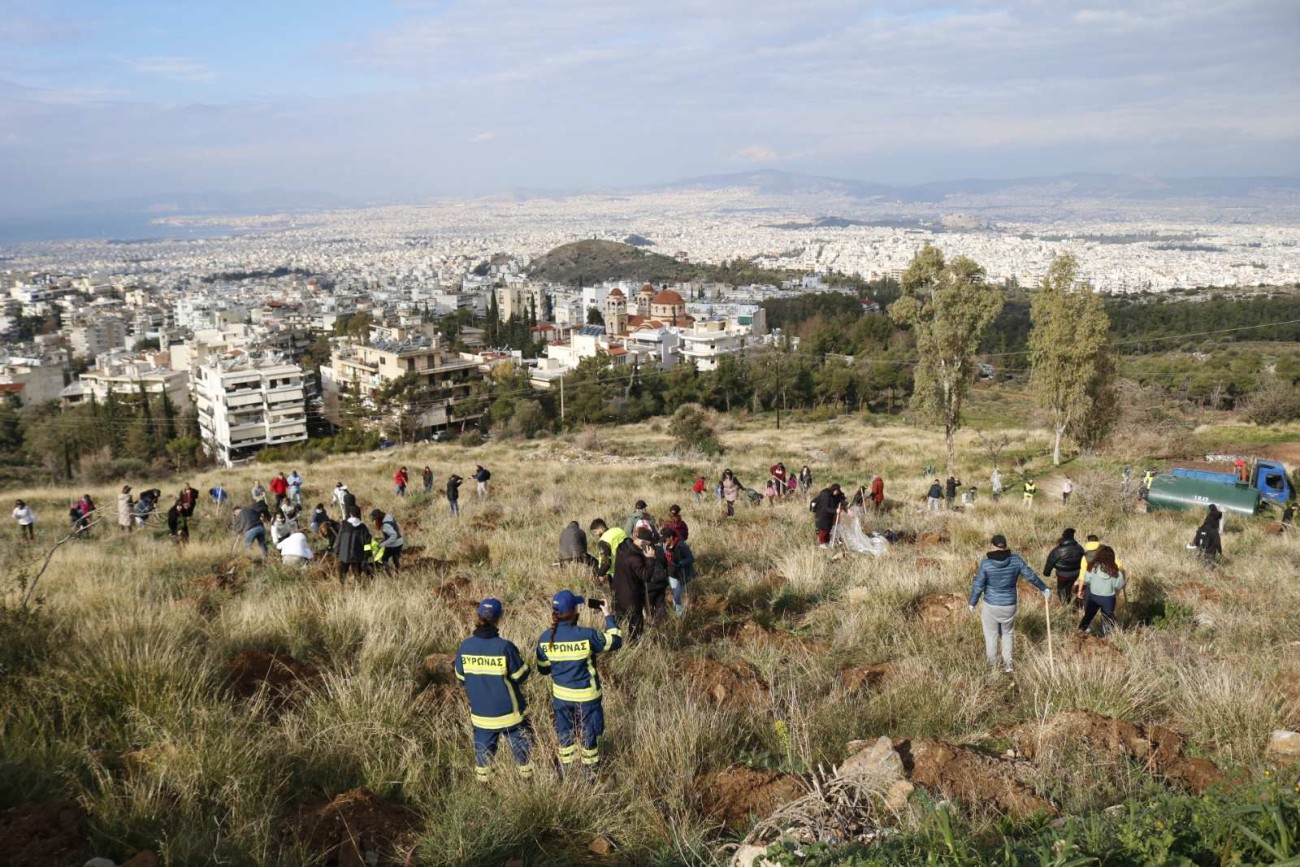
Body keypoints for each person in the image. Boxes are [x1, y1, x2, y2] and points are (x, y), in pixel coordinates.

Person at [535, 590, 622, 774]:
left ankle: (566, 771)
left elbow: (543, 669)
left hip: (561, 698)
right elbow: (615, 640)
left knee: (565, 735)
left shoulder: (544, 639)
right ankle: (589, 774)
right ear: (575, 611)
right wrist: (608, 616)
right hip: (587, 698)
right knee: (588, 737)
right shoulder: (587, 635)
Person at [456, 598, 534, 782]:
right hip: (511, 715)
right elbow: (520, 676)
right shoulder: (505, 647)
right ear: (500, 618)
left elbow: (461, 679)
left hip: (481, 716)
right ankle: (528, 783)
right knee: (522, 751)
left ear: (478, 616)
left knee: (483, 757)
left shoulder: (465, 646)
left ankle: (484, 788)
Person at [969, 534, 1051, 674]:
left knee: (991, 635)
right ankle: (1008, 665)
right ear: (1005, 546)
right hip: (1009, 605)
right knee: (1007, 634)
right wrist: (1044, 588)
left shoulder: (986, 563)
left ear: (992, 546)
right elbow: (1030, 575)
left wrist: (973, 602)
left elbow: (978, 585)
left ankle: (993, 666)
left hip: (991, 606)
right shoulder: (1016, 560)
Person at [612, 529, 655, 639]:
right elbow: (646, 576)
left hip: (618, 593)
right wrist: (650, 559)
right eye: (650, 543)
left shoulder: (622, 547)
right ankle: (634, 645)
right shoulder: (635, 559)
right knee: (636, 624)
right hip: (632, 596)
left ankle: (617, 643)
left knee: (619, 623)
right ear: (645, 542)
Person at [1077, 545, 1125, 636]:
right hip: (1109, 599)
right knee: (1107, 619)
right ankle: (1105, 638)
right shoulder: (1116, 571)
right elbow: (1119, 586)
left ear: (1099, 555)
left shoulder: (1092, 567)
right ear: (1112, 556)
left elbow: (1087, 580)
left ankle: (1080, 632)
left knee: (1088, 616)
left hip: (1093, 597)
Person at [1043, 528, 1085, 606]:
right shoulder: (1080, 548)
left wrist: (1046, 573)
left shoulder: (1057, 550)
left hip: (1062, 575)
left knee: (1060, 589)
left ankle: (1065, 605)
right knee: (1068, 588)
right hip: (1076, 573)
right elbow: (1084, 560)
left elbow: (1049, 563)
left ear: (1063, 538)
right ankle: (1068, 601)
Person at [334, 505, 372, 585]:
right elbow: (367, 543)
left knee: (342, 574)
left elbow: (339, 539)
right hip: (357, 556)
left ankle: (342, 588)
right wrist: (367, 555)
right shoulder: (363, 528)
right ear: (359, 514)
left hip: (344, 555)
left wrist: (336, 551)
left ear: (350, 514)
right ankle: (359, 589)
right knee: (357, 575)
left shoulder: (344, 526)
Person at [663, 527, 695, 616]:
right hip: (672, 574)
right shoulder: (665, 546)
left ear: (671, 537)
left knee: (677, 596)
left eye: (665, 539)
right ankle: (676, 613)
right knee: (675, 595)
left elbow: (691, 559)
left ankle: (680, 616)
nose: (663, 542)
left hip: (682, 574)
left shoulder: (682, 545)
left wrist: (680, 563)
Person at [589, 518, 626, 583]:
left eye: (595, 531)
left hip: (615, 571)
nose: (596, 534)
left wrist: (600, 574)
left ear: (600, 528)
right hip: (628, 565)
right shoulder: (619, 530)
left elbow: (606, 561)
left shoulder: (603, 540)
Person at [812, 483, 846, 547]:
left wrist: (842, 504)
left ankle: (827, 542)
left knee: (828, 529)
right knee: (823, 529)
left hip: (829, 515)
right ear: (833, 490)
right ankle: (822, 543)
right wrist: (835, 510)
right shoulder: (826, 495)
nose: (837, 492)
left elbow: (839, 498)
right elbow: (825, 508)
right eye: (837, 491)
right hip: (822, 515)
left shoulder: (834, 495)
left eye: (838, 491)